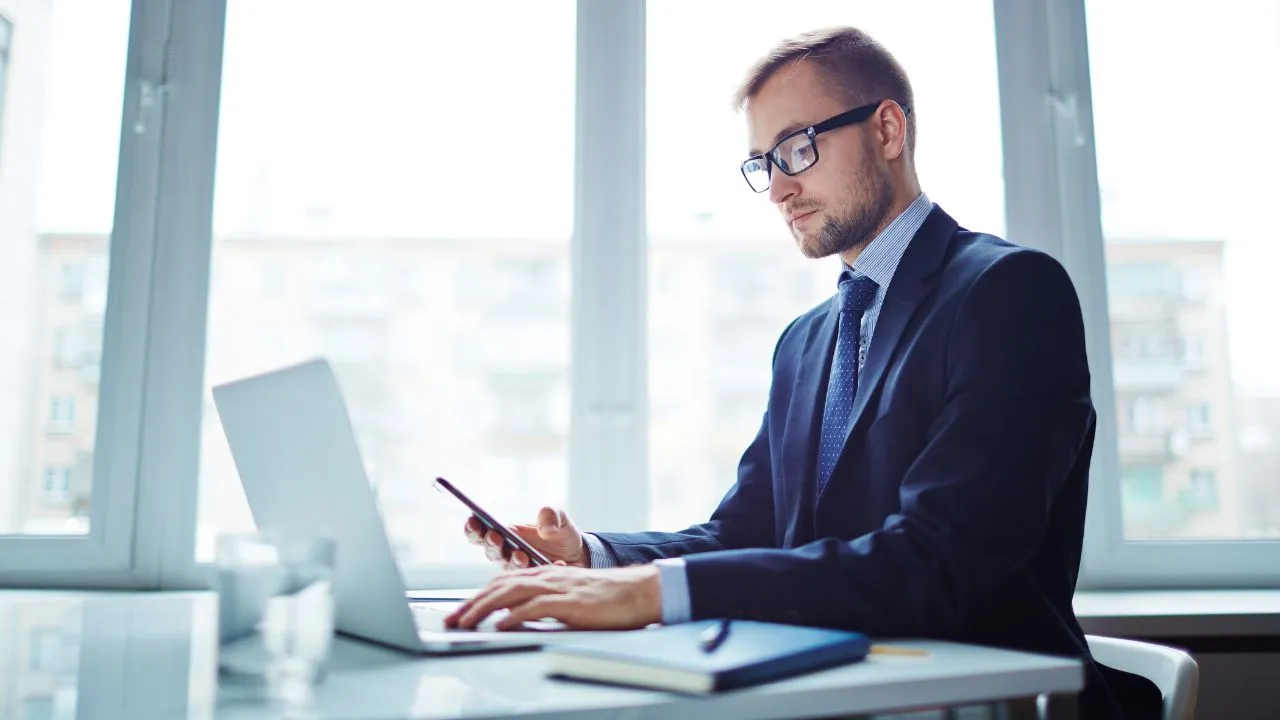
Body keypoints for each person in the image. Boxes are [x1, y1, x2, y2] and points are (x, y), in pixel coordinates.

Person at [445, 26, 1160, 719]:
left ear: (887, 131)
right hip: (834, 692)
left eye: (798, 149)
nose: (780, 191)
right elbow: (747, 533)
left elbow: (940, 561)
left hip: (986, 701)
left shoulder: (1009, 292)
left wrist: (655, 592)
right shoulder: (805, 341)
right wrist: (594, 558)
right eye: (764, 164)